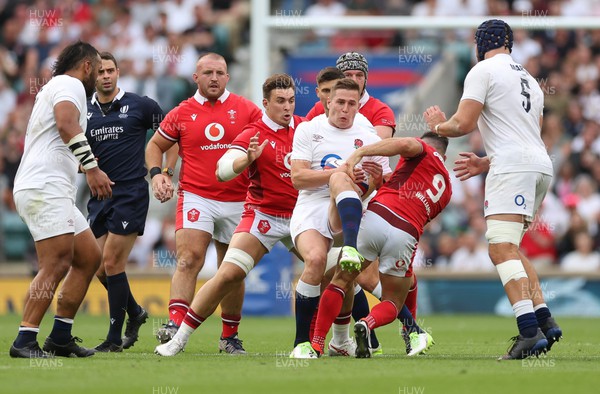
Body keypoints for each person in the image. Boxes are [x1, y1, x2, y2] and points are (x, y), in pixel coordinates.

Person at [423, 19, 562, 360]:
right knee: (511, 247)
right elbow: (528, 136)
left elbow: (463, 124)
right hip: (540, 166)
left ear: (480, 43)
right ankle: (544, 320)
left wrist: (437, 124)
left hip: (514, 167)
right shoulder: (530, 79)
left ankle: (527, 331)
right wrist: (486, 162)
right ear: (509, 44)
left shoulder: (483, 69)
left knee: (500, 249)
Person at [154, 73, 304, 356]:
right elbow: (222, 170)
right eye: (281, 101)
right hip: (262, 217)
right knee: (227, 274)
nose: (287, 107)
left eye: (292, 100)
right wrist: (246, 159)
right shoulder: (253, 133)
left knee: (333, 267)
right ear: (266, 104)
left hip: (299, 218)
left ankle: (339, 340)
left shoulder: (307, 129)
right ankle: (178, 339)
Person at [145, 52, 262, 354]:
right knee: (188, 259)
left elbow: (266, 143)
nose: (214, 78)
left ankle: (229, 336)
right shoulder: (182, 112)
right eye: (207, 72)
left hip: (239, 199)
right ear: (195, 77)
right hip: (197, 195)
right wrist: (158, 175)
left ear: (227, 77)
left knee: (231, 269)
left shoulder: (247, 110)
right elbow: (156, 145)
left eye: (219, 73)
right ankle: (174, 324)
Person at [10, 41, 113, 358]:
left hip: (52, 188)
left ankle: (60, 337)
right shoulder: (70, 85)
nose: (99, 77)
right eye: (97, 70)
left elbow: (58, 134)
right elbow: (66, 124)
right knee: (55, 262)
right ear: (86, 66)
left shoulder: (57, 86)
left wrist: (79, 162)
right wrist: (93, 168)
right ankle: (25, 340)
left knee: (88, 258)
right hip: (45, 186)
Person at [309, 132, 451, 358]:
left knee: (341, 280)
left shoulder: (421, 148)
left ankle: (315, 344)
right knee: (393, 301)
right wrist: (384, 181)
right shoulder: (447, 191)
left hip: (378, 216)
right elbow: (414, 201)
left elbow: (404, 144)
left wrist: (361, 152)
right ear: (445, 155)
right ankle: (368, 323)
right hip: (405, 233)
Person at [288, 78, 392, 358]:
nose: (345, 109)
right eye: (340, 102)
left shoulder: (369, 135)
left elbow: (381, 182)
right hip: (314, 204)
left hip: (354, 207)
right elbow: (298, 178)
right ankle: (302, 343)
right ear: (328, 102)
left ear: (359, 105)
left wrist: (374, 181)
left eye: (352, 104)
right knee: (316, 261)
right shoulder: (309, 129)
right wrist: (341, 174)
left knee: (362, 277)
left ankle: (344, 341)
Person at [85, 52, 176, 352]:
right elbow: (74, 152)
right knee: (95, 266)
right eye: (100, 72)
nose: (106, 76)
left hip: (131, 193)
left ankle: (113, 338)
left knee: (112, 263)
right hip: (99, 196)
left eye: (110, 70)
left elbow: (171, 136)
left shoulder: (141, 105)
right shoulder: (84, 111)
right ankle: (135, 313)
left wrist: (165, 172)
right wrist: (83, 165)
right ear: (93, 76)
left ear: (119, 72)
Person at [306, 52, 396, 139]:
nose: (354, 80)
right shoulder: (321, 106)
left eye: (359, 75)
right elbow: (303, 136)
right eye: (348, 75)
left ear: (365, 79)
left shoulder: (380, 111)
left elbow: (379, 146)